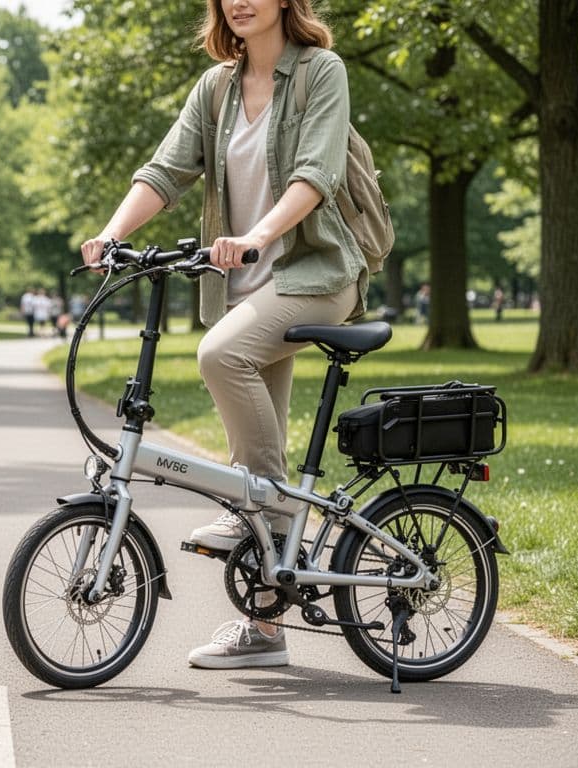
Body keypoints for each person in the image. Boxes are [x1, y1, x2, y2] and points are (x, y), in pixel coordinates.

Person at [81, 0, 367, 669]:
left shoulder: (321, 72)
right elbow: (165, 169)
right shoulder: (215, 88)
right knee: (251, 452)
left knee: (220, 358)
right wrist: (112, 234)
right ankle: (265, 629)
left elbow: (316, 176)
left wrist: (256, 238)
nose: (240, 2)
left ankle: (264, 517)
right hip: (246, 286)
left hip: (316, 273)